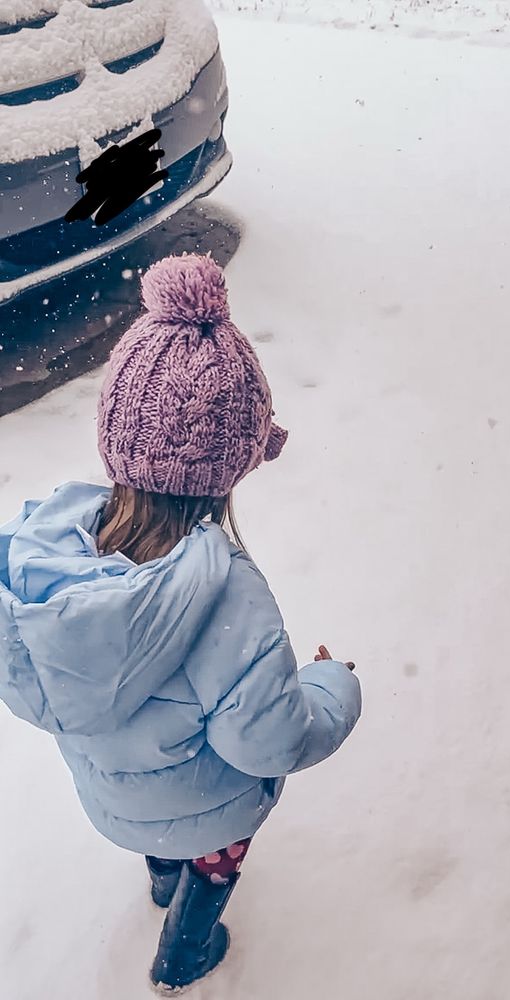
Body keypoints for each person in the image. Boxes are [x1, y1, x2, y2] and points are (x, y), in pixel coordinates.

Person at [0, 253, 362, 994]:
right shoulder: (230, 602)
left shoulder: (41, 559)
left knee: (163, 835)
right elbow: (270, 740)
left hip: (111, 799)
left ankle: (161, 875)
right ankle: (183, 956)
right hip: (209, 813)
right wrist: (330, 686)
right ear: (232, 466)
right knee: (213, 861)